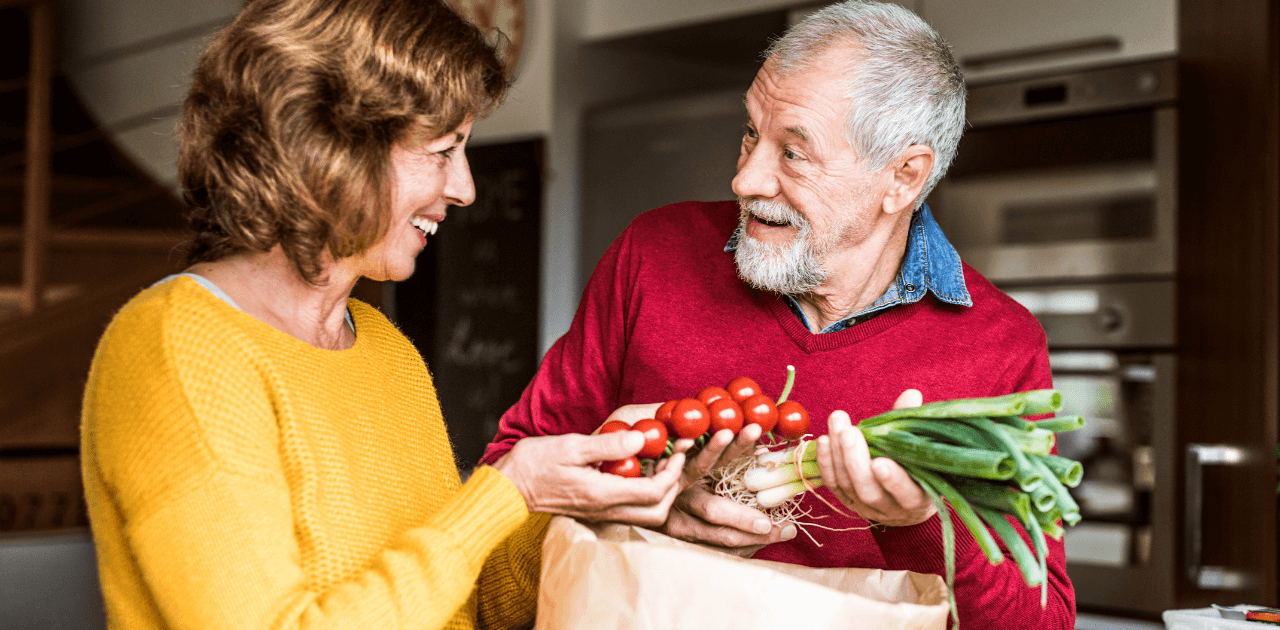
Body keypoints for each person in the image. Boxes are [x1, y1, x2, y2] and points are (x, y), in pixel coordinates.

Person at [78, 1, 686, 629]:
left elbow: (470, 601)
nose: (466, 189)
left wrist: (587, 493)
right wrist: (508, 491)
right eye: (444, 150)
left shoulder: (384, 347)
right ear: (330, 147)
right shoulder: (177, 346)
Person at [481, 1, 1075, 627]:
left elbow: (1041, 623)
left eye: (793, 153)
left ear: (902, 177)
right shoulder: (654, 255)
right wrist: (634, 505)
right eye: (750, 133)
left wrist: (919, 524)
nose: (746, 179)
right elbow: (506, 485)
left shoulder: (1000, 346)